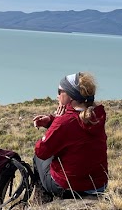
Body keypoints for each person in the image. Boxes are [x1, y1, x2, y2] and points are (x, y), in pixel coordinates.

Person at [31, 71, 109, 199]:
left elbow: (42, 152)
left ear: (71, 96)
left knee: (38, 157)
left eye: (59, 91)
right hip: (98, 185)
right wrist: (52, 120)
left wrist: (56, 121)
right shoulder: (96, 115)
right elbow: (76, 131)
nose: (57, 96)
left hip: (71, 187)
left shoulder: (65, 121)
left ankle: (42, 201)